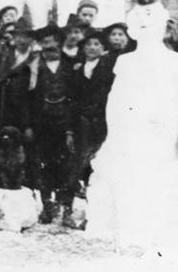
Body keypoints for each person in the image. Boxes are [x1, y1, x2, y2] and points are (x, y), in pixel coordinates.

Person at [86, 0, 178, 246]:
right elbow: (116, 103)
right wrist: (125, 125)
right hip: (132, 132)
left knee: (160, 175)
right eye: (141, 24)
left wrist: (165, 118)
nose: (148, 29)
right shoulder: (125, 62)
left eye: (152, 23)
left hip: (163, 131)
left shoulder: (175, 61)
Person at [66, 30, 116, 228]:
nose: (92, 48)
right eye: (89, 44)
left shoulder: (108, 69)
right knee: (79, 167)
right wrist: (69, 130)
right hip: (81, 126)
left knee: (99, 166)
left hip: (102, 124)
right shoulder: (77, 71)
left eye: (97, 44)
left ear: (103, 49)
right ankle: (75, 212)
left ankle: (98, 214)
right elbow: (72, 101)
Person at [29, 24, 74, 224]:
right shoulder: (33, 67)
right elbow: (26, 98)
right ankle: (47, 207)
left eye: (53, 42)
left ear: (59, 43)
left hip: (65, 123)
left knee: (67, 166)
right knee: (43, 165)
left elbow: (77, 96)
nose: (49, 46)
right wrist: (28, 124)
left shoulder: (72, 65)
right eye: (44, 42)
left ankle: (66, 209)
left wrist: (72, 128)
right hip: (42, 123)